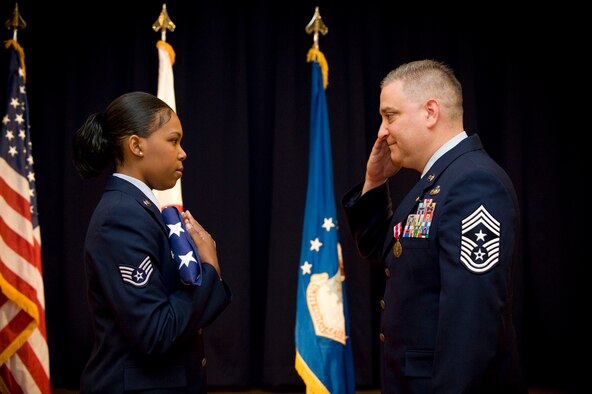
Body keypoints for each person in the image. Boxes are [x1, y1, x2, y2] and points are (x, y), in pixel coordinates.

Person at [342, 60, 525, 393]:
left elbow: (471, 325)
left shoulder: (474, 182)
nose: (382, 131)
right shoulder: (437, 181)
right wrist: (374, 180)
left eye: (390, 115)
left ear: (430, 112)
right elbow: (383, 252)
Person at [72, 91, 232, 393]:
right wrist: (209, 268)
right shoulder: (121, 216)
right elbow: (155, 332)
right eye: (173, 140)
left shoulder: (138, 208)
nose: (183, 152)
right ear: (136, 145)